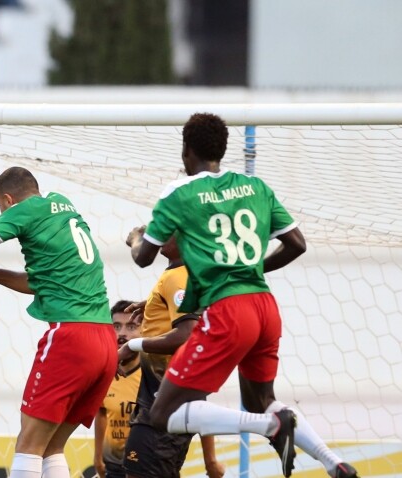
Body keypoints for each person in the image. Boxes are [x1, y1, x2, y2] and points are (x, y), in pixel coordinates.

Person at [128, 112, 358, 478]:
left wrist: (135, 238)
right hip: (265, 307)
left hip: (229, 311)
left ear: (186, 151)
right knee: (261, 400)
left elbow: (143, 258)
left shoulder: (178, 192)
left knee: (162, 413)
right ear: (221, 150)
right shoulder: (255, 187)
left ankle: (270, 427)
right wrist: (248, 271)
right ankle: (334, 463)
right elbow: (297, 244)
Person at [0, 166, 118, 478]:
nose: (2, 213)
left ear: (8, 200)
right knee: (52, 447)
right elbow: (44, 283)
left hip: (71, 337)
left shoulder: (25, 209)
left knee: (29, 444)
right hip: (105, 339)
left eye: (0, 206)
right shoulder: (63, 205)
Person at [117, 237, 224, 478]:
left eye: (171, 228)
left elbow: (186, 335)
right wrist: (154, 304)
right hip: (163, 407)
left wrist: (132, 346)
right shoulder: (182, 275)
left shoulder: (179, 277)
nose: (163, 233)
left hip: (162, 411)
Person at [94, 301, 142, 478]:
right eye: (116, 326)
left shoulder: (154, 374)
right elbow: (101, 413)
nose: (122, 333)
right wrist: (98, 457)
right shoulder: (103, 373)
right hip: (113, 466)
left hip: (147, 467)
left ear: (144, 331)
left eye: (131, 327)